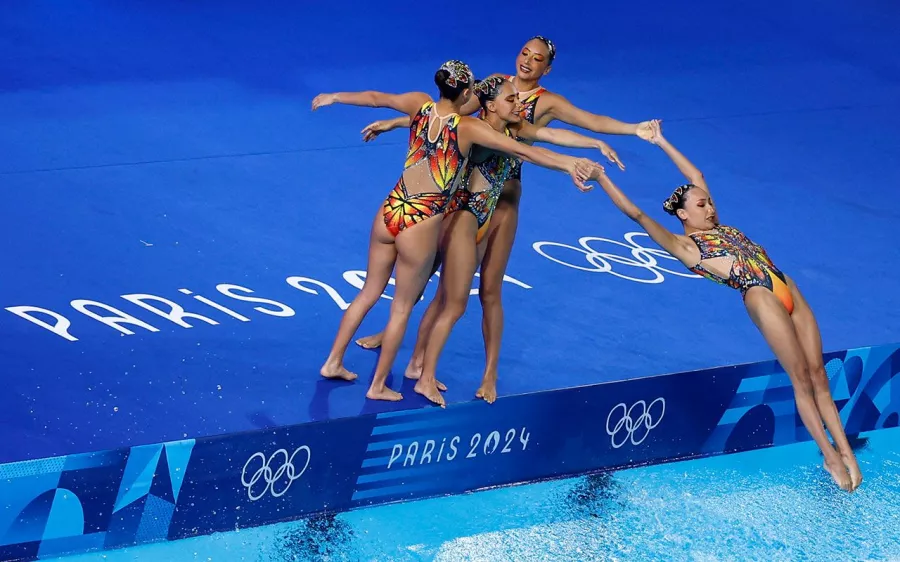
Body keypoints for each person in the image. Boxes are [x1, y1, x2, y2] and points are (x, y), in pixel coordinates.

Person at [354, 37, 656, 402]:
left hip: (500, 202)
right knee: (432, 278)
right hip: (462, 200)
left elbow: (559, 131)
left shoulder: (538, 107)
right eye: (524, 53)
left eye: (537, 58)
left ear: (547, 68)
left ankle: (477, 372)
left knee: (477, 293)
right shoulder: (494, 90)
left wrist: (613, 137)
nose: (527, 61)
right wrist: (401, 121)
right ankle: (404, 345)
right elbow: (449, 113)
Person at [585, 120, 862, 492]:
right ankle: (829, 457)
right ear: (684, 214)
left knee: (819, 375)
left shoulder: (719, 227)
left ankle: (848, 453)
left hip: (786, 285)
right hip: (760, 296)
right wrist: (603, 178)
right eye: (702, 204)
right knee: (800, 379)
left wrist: (661, 140)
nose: (711, 207)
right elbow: (636, 214)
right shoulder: (686, 248)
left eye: (711, 201)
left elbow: (695, 173)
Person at [311, 60, 600, 403]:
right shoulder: (466, 128)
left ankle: (333, 361)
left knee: (367, 293)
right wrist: (568, 164)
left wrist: (334, 96)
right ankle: (377, 386)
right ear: (466, 95)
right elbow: (522, 150)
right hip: (420, 222)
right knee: (402, 307)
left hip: (391, 209)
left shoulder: (419, 103)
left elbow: (376, 97)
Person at [410, 76, 622, 405]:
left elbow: (550, 134)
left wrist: (589, 146)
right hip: (462, 218)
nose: (519, 104)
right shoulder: (478, 130)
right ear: (491, 105)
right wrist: (568, 166)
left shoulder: (513, 126)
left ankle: (436, 369)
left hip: (485, 216)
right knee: (451, 302)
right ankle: (422, 374)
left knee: (462, 298)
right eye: (511, 99)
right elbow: (529, 153)